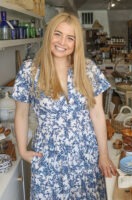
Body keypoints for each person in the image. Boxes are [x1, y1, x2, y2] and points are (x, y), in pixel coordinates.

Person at [12, 12, 117, 199]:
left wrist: (103, 154)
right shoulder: (30, 70)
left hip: (85, 159)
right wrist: (22, 150)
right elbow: (21, 114)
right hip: (48, 160)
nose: (62, 42)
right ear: (49, 34)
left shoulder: (88, 69)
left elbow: (98, 114)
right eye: (57, 34)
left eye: (70, 38)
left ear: (77, 43)